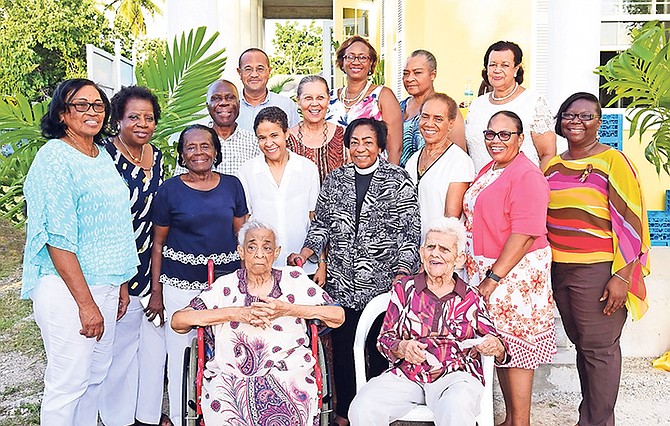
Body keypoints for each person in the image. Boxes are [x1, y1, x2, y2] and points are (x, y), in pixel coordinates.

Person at [288, 118, 421, 426]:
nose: (361, 149)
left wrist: (401, 273)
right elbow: (321, 224)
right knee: (345, 347)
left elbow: (410, 232)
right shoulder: (335, 180)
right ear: (347, 146)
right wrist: (306, 252)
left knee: (379, 347)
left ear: (380, 146)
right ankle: (345, 412)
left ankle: (377, 413)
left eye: (368, 142)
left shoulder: (398, 179)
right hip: (343, 282)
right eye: (355, 142)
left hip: (382, 282)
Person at [21, 78, 138, 425]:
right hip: (67, 289)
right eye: (81, 105)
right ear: (61, 113)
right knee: (68, 383)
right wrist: (86, 305)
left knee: (96, 376)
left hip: (105, 284)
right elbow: (57, 238)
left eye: (98, 105)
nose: (92, 111)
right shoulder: (55, 157)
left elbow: (113, 225)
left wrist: (120, 285)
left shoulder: (99, 154)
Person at [171, 220, 345, 426]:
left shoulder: (294, 280)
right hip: (231, 377)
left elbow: (337, 316)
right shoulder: (225, 286)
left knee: (293, 408)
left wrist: (288, 309)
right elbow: (178, 322)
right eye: (252, 247)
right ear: (241, 252)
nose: (260, 254)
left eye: (267, 247)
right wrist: (234, 313)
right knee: (225, 410)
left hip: (289, 375)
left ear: (277, 252)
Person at [545, 92, 651, 426]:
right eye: (569, 115)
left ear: (599, 123)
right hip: (559, 269)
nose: (576, 122)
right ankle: (589, 418)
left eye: (585, 116)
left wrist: (622, 276)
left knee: (600, 351)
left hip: (598, 270)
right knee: (584, 349)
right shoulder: (552, 165)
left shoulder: (613, 161)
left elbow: (633, 221)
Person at [349, 217, 510, 426]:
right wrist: (403, 347)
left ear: (459, 259)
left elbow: (500, 349)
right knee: (364, 407)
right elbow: (384, 340)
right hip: (408, 375)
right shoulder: (404, 290)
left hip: (456, 377)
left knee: (456, 407)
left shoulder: (471, 297)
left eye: (444, 249)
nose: (435, 253)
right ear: (422, 253)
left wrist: (495, 346)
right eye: (430, 246)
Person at [463, 111, 556, 426]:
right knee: (502, 344)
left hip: (514, 274)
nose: (496, 141)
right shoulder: (492, 168)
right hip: (491, 268)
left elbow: (525, 233)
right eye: (491, 134)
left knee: (517, 346)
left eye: (505, 134)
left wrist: (491, 280)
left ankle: (520, 422)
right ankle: (512, 419)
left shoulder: (527, 174)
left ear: (521, 138)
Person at [151, 124, 248, 424]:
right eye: (190, 147)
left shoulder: (232, 185)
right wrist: (156, 293)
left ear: (216, 151)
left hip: (224, 286)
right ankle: (184, 418)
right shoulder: (169, 190)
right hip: (179, 283)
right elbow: (158, 243)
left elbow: (242, 236)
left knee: (227, 354)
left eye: (205, 146)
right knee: (181, 355)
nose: (198, 152)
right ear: (181, 155)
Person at [98, 86, 169, 426]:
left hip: (154, 261)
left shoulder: (159, 157)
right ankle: (117, 418)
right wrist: (122, 278)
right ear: (118, 120)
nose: (142, 123)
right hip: (118, 262)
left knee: (154, 350)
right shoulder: (103, 157)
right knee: (120, 349)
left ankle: (148, 416)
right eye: (134, 117)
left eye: (149, 117)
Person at [237, 106, 323, 282]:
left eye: (274, 135)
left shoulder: (307, 169)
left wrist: (322, 263)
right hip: (262, 268)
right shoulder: (247, 171)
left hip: (302, 265)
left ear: (286, 134)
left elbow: (316, 220)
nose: (268, 143)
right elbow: (244, 221)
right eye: (262, 138)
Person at [465, 40, 556, 173]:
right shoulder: (477, 105)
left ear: (516, 69)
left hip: (521, 187)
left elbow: (547, 153)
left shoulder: (533, 102)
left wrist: (539, 187)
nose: (497, 70)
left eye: (505, 65)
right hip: (480, 187)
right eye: (492, 65)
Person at [405, 93, 474, 234]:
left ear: (450, 124)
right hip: (411, 248)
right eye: (425, 116)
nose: (429, 124)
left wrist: (433, 249)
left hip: (439, 248)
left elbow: (451, 220)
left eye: (438, 119)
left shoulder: (459, 161)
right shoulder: (413, 160)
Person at [327, 35, 403, 165]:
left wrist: (389, 181)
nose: (356, 61)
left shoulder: (383, 96)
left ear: (371, 63)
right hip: (334, 177)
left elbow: (395, 148)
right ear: (342, 62)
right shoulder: (329, 98)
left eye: (362, 57)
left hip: (373, 176)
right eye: (350, 57)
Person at [174, 79, 260, 176]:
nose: (224, 102)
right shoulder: (193, 140)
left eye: (230, 98)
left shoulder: (254, 142)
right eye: (216, 98)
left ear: (239, 104)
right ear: (208, 106)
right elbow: (179, 184)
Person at [399, 50, 466, 167]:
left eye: (417, 73)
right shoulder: (398, 107)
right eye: (406, 73)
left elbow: (459, 156)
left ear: (433, 75)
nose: (409, 78)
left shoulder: (446, 107)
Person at [288, 75, 347, 183]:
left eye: (320, 98)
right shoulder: (287, 139)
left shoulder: (344, 135)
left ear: (328, 99)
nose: (314, 104)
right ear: (298, 101)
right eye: (308, 98)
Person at [236, 48, 299, 131]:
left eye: (260, 69)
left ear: (269, 71)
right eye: (248, 69)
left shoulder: (287, 105)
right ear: (239, 72)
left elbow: (294, 139)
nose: (254, 74)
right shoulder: (229, 106)